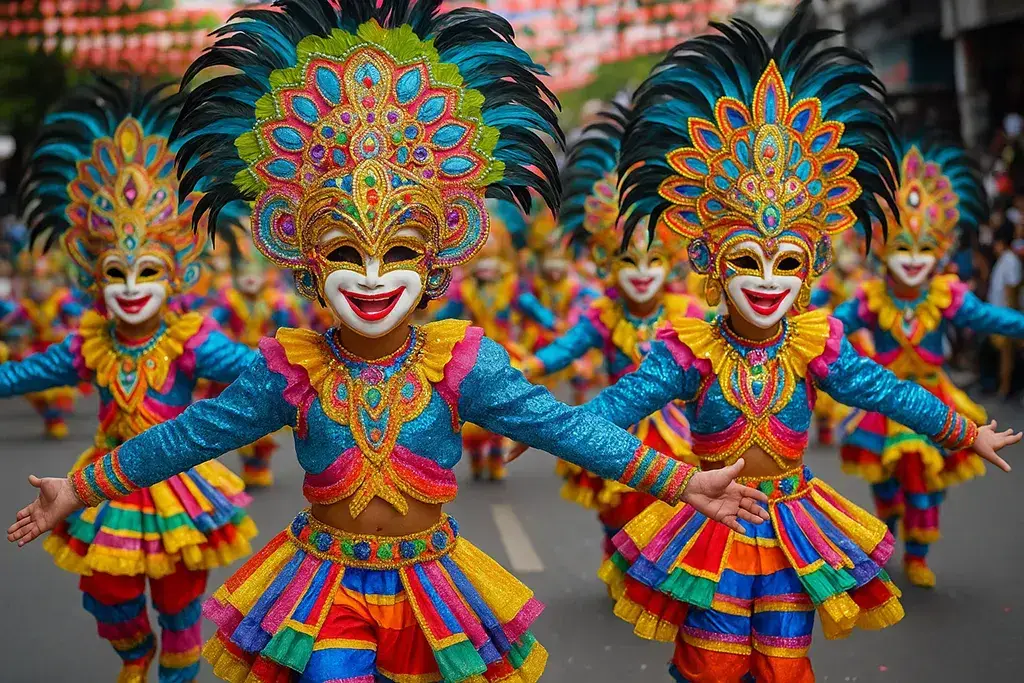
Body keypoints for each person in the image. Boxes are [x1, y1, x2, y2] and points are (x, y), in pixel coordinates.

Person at [6, 3, 770, 682]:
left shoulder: (463, 365)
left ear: (434, 264)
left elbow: (565, 427)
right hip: (325, 586)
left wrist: (680, 481)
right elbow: (187, 436)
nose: (372, 277)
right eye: (347, 253)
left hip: (429, 585)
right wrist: (80, 488)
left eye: (397, 252)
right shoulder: (291, 372)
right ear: (309, 264)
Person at [590, 4, 1020, 681]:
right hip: (714, 526)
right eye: (747, 260)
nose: (768, 280)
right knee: (712, 667)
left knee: (784, 668)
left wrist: (966, 432)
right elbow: (611, 410)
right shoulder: (689, 352)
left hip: (793, 529)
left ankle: (919, 547)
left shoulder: (815, 347)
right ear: (709, 260)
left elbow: (888, 391)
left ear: (812, 264)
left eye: (786, 262)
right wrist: (538, 424)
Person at [1, 77, 259, 683]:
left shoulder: (191, 339)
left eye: (148, 272)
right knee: (108, 596)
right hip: (103, 483)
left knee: (179, 608)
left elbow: (261, 374)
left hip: (178, 484)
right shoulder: (89, 343)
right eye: (118, 273)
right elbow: (23, 373)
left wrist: (324, 367)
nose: (132, 288)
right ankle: (135, 657)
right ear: (98, 281)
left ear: (174, 277)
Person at [521, 101, 704, 564]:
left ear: (671, 265)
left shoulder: (688, 313)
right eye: (628, 261)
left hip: (677, 428)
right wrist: (524, 369)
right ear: (607, 264)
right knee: (617, 507)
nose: (641, 273)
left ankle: (661, 567)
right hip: (615, 421)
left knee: (676, 508)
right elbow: (567, 348)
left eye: (653, 261)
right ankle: (621, 560)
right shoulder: (603, 315)